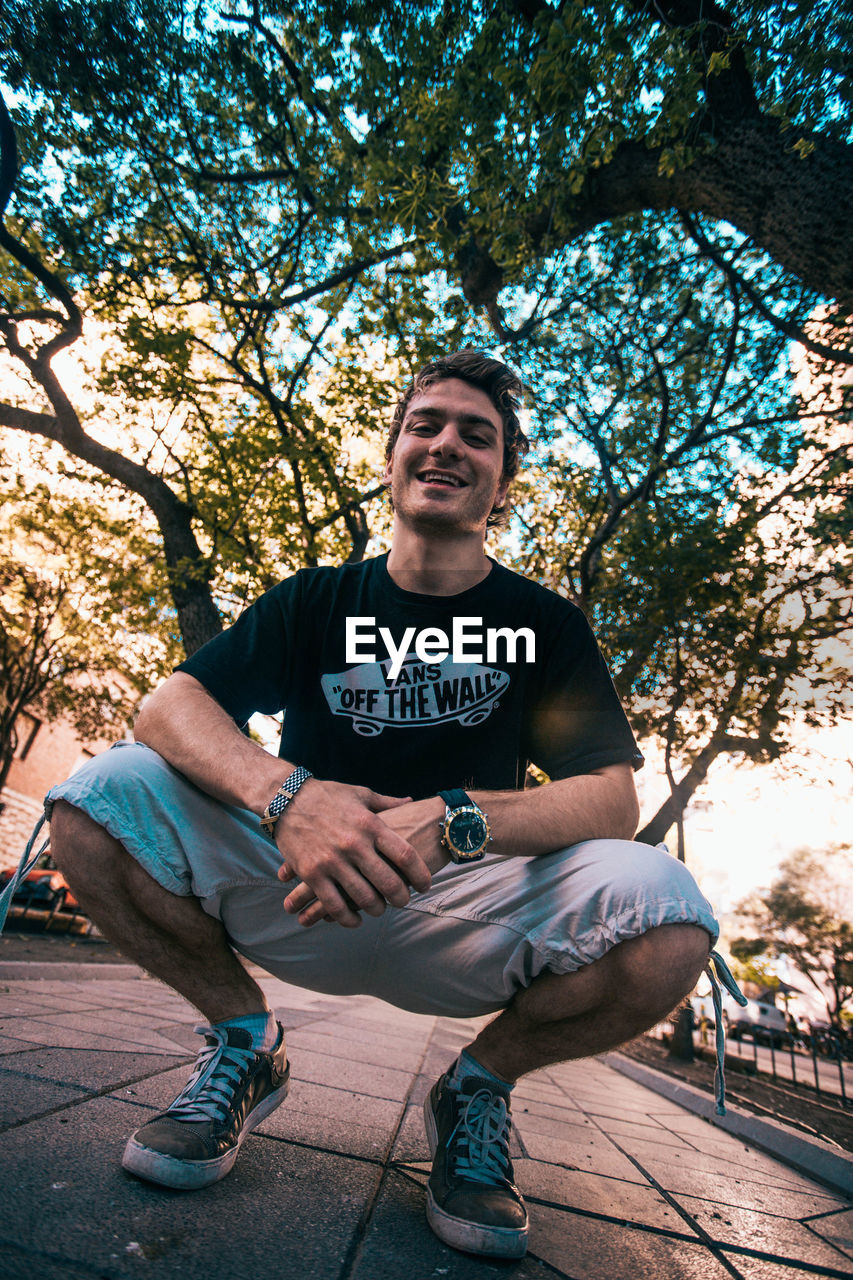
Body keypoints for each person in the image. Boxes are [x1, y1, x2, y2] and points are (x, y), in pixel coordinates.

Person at [45, 350, 718, 1259]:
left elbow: (610, 797)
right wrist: (286, 796)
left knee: (669, 916)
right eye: (424, 425)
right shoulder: (317, 597)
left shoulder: (546, 624)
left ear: (502, 479)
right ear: (392, 455)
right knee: (96, 797)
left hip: (470, 914)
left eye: (475, 435)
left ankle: (476, 1089)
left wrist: (454, 821)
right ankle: (245, 1041)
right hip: (295, 890)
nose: (445, 444)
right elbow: (167, 707)